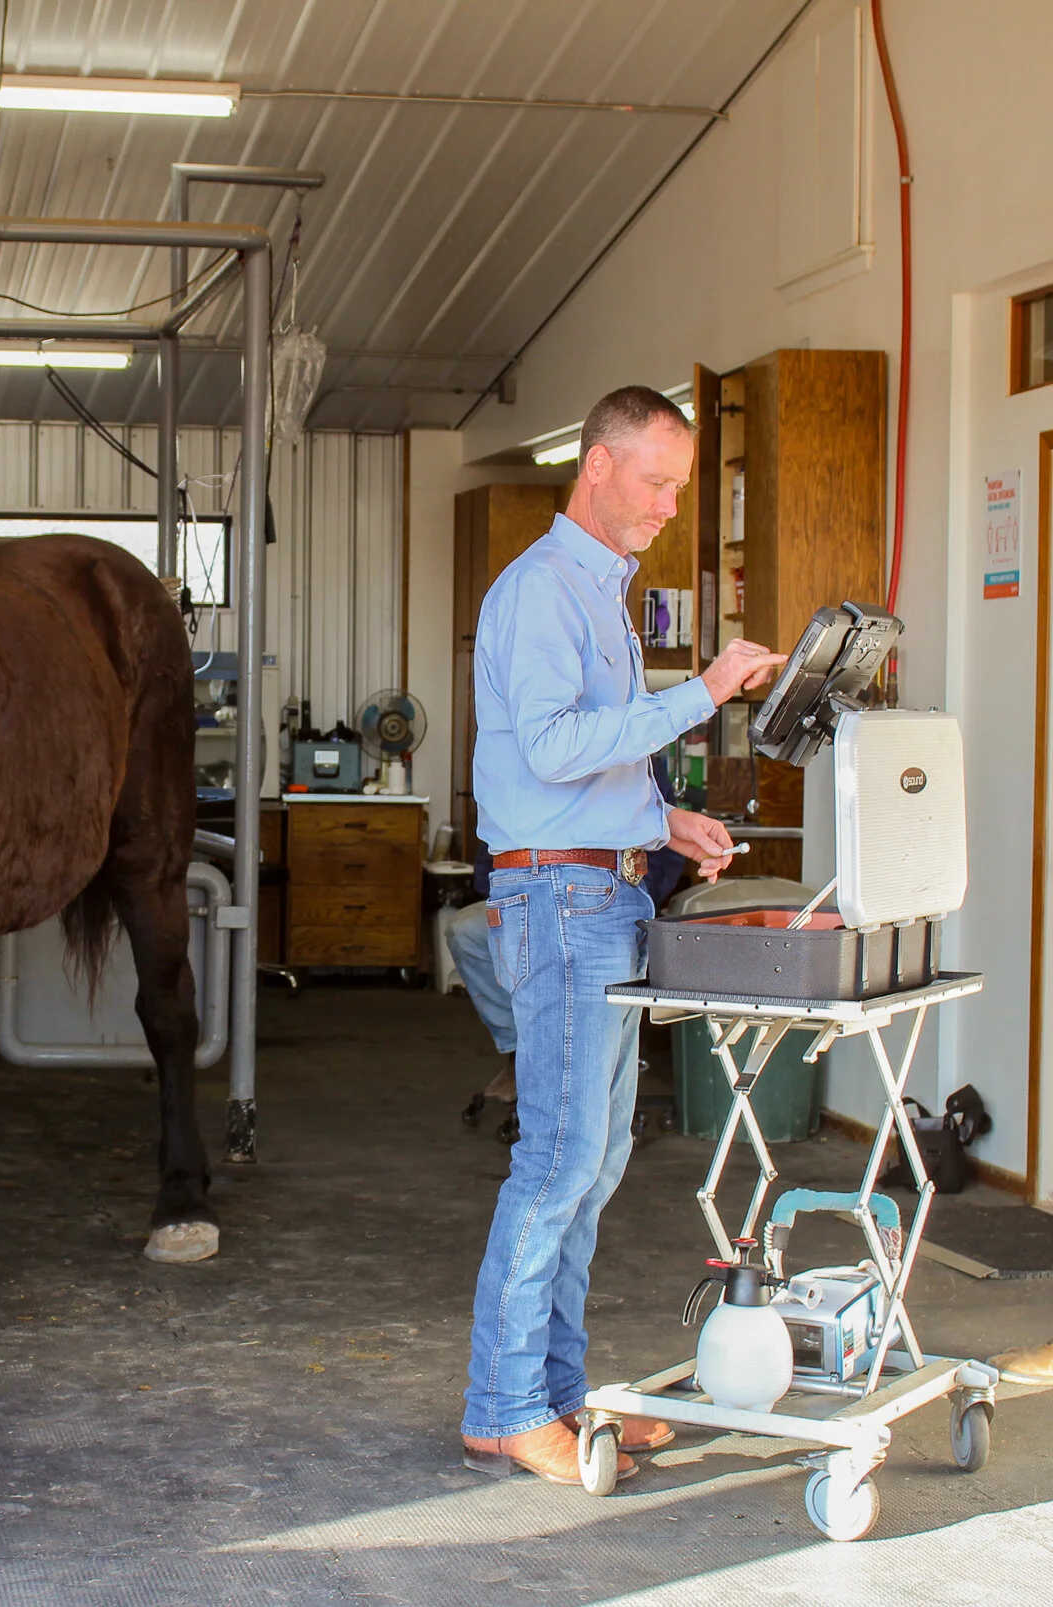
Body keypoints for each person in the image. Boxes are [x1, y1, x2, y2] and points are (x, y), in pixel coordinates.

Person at [459, 387, 786, 1488]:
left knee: (590, 1164)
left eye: (678, 487)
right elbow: (551, 749)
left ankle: (551, 1393)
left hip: (597, 891)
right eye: (653, 481)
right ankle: (502, 1406)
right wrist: (697, 692)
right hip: (559, 905)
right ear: (593, 465)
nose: (664, 505)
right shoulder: (544, 591)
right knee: (554, 1161)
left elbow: (578, 767)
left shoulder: (599, 595)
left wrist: (658, 818)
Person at [449, 760, 691, 1114]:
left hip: (611, 893)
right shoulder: (541, 739)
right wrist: (504, 888)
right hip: (527, 885)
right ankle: (520, 1051)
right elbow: (495, 831)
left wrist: (633, 894)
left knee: (592, 1101)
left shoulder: (639, 745)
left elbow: (664, 841)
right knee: (464, 932)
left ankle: (561, 1070)